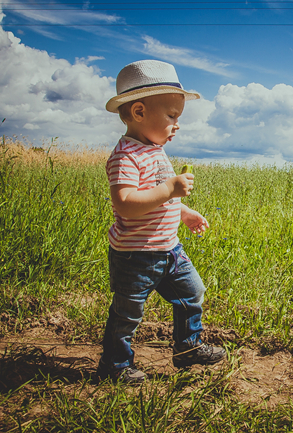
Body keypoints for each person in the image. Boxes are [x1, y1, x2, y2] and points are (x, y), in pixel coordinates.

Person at [97, 60, 226, 384]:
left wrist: (183, 212)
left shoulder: (155, 151)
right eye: (171, 116)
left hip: (169, 250)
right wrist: (171, 186)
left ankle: (188, 347)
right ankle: (115, 365)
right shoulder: (126, 155)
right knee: (127, 314)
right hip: (135, 255)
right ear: (139, 112)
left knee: (193, 292)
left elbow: (159, 200)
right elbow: (124, 204)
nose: (176, 125)